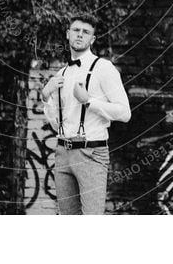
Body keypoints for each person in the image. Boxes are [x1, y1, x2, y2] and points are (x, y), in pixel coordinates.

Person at [41, 13, 131, 215]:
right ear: (67, 34)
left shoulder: (104, 68)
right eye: (76, 30)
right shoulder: (62, 74)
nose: (79, 35)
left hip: (91, 152)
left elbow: (125, 113)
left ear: (92, 39)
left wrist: (89, 101)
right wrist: (46, 97)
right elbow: (57, 125)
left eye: (86, 32)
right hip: (63, 152)